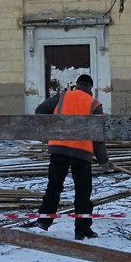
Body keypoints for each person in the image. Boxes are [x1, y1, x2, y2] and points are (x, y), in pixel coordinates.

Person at [32, 74, 109, 240]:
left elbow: (40, 111)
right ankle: (82, 230)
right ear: (90, 87)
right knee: (82, 193)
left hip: (58, 149)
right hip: (82, 154)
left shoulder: (62, 96)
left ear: (77, 84)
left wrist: (49, 133)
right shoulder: (95, 104)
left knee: (53, 187)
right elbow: (98, 136)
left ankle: (43, 221)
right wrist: (103, 161)